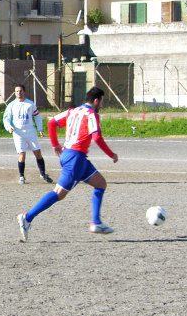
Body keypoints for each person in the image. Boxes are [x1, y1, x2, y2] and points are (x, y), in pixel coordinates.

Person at [17, 86, 118, 241]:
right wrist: (112, 155)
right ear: (96, 101)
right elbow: (97, 137)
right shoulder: (92, 114)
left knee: (101, 184)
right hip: (75, 158)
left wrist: (55, 144)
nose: (102, 105)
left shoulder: (73, 111)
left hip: (73, 156)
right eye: (102, 102)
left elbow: (52, 123)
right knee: (58, 193)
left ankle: (96, 222)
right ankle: (27, 217)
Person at [2, 84, 53, 185]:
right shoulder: (11, 105)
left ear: (24, 92)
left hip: (30, 132)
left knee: (38, 152)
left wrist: (40, 129)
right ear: (15, 93)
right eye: (17, 91)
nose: (19, 93)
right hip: (18, 133)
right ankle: (21, 176)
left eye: (20, 91)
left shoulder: (30, 104)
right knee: (22, 154)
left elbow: (37, 116)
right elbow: (6, 118)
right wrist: (9, 127)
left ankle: (43, 174)